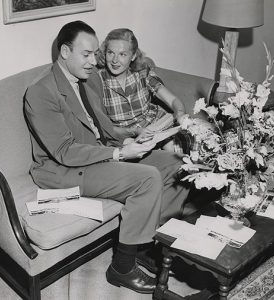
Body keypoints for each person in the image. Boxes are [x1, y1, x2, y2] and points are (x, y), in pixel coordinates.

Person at [24, 21, 190, 294]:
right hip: (65, 168)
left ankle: (141, 245)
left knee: (177, 165)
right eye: (86, 54)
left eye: (94, 54)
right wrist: (120, 152)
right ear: (65, 52)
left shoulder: (89, 81)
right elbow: (65, 151)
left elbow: (103, 128)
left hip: (100, 154)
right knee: (147, 178)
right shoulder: (41, 91)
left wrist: (130, 138)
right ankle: (121, 268)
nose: (94, 61)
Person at [94, 28, 188, 146]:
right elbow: (104, 127)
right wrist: (135, 131)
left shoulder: (142, 72)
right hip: (127, 136)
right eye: (110, 52)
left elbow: (172, 100)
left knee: (178, 150)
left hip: (156, 125)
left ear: (133, 56)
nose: (114, 60)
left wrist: (179, 114)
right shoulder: (98, 80)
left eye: (122, 54)